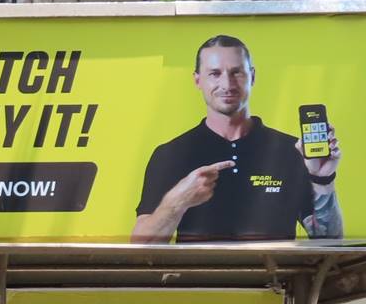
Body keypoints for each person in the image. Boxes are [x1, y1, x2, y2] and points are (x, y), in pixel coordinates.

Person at [131, 34, 343, 243]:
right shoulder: (171, 153)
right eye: (215, 73)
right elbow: (142, 246)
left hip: (275, 276)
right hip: (196, 277)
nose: (227, 84)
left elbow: (330, 241)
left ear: (252, 76)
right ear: (198, 80)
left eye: (236, 73)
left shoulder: (292, 150)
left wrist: (322, 179)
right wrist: (178, 201)